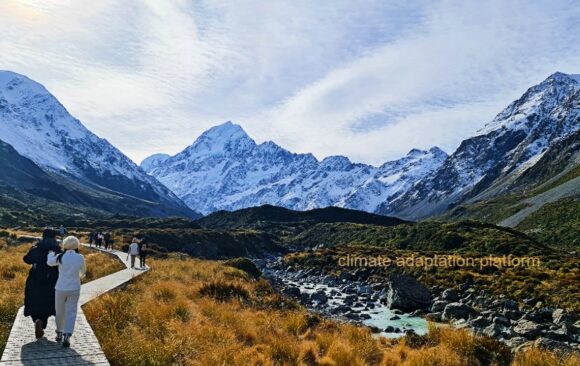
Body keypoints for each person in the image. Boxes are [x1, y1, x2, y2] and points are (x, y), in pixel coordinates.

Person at [23, 228, 62, 339]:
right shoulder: (57, 250)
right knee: (48, 304)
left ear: (43, 236)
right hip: (52, 282)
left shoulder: (36, 249)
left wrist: (33, 249)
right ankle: (42, 323)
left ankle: (37, 320)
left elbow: (26, 259)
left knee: (34, 302)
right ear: (54, 237)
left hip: (35, 280)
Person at [47, 236, 86, 348]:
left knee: (59, 311)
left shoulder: (60, 256)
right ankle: (67, 335)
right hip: (74, 288)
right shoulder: (80, 257)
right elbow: (83, 272)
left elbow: (49, 263)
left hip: (60, 288)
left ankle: (59, 332)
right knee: (71, 312)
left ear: (65, 245)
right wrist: (77, 277)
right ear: (76, 245)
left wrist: (50, 254)